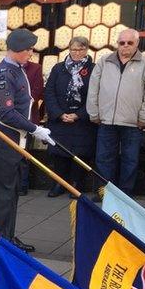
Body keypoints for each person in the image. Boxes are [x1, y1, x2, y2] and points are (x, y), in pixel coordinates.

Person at [0, 29, 55, 252]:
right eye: (28, 49)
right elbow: (7, 113)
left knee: (13, 191)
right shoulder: (5, 72)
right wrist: (34, 128)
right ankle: (1, 240)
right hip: (5, 139)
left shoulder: (18, 69)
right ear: (17, 50)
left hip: (17, 138)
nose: (31, 53)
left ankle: (9, 235)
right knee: (3, 194)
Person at [87, 28, 145, 199]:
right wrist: (94, 112)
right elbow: (93, 88)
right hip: (107, 120)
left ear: (137, 44)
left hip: (133, 122)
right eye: (122, 42)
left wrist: (144, 117)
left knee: (130, 159)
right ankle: (104, 192)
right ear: (117, 43)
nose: (125, 46)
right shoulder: (104, 60)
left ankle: (125, 194)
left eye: (130, 43)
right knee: (104, 158)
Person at [43, 36, 96, 197]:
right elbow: (49, 92)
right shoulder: (59, 68)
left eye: (80, 49)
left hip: (81, 120)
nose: (77, 53)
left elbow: (95, 96)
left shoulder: (94, 69)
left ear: (87, 50)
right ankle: (59, 184)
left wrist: (78, 115)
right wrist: (59, 114)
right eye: (73, 49)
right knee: (60, 153)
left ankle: (76, 184)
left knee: (80, 154)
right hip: (60, 119)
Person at [17, 59, 44, 195]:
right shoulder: (2, 66)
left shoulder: (35, 68)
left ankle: (22, 184)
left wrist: (19, 102)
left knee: (24, 153)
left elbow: (37, 91)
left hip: (27, 116)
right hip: (8, 117)